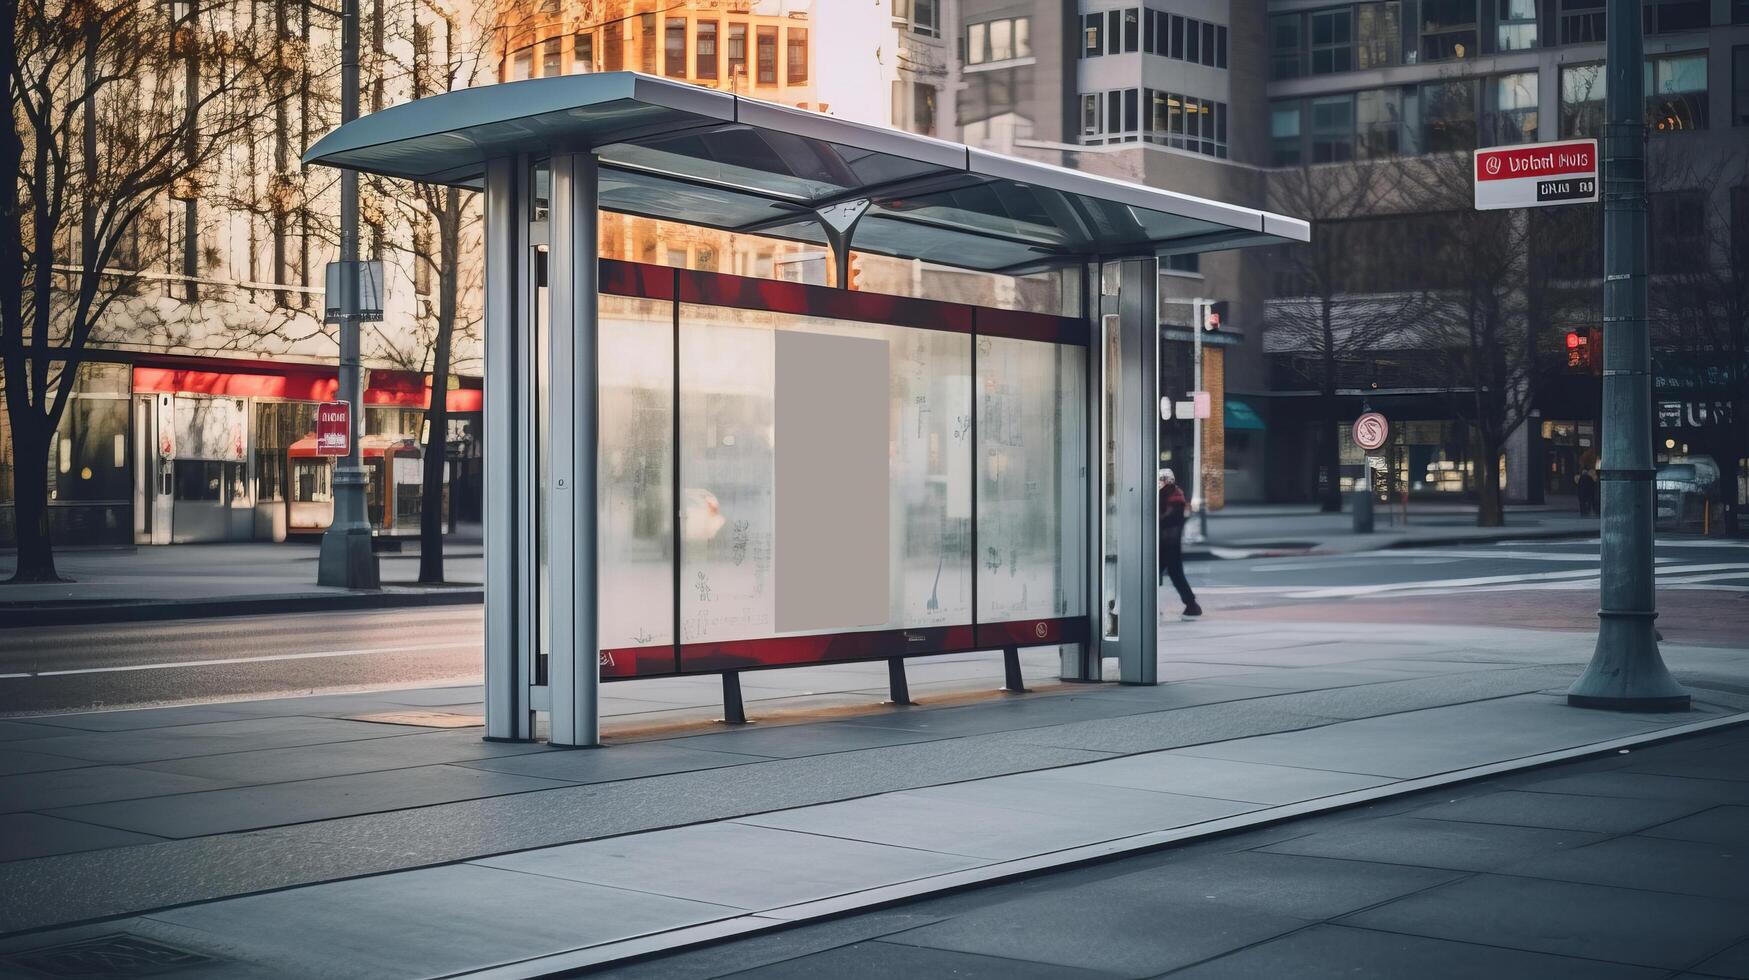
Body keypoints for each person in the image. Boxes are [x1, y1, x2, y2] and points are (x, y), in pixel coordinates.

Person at [1159, 468, 1202, 620]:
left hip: (1168, 542)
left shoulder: (1171, 496)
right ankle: (1191, 605)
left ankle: (1192, 605)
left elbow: (1166, 519)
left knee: (1170, 573)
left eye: (1161, 480)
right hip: (1168, 542)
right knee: (1167, 573)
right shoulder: (1172, 494)